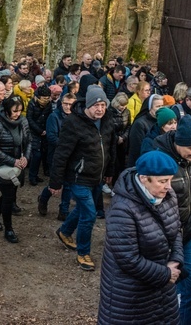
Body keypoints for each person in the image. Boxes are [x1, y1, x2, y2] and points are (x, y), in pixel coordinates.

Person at [97, 152, 184, 325]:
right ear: (144, 178)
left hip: (162, 288)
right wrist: (166, 273)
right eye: (162, 181)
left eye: (170, 180)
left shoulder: (167, 195)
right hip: (129, 296)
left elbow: (176, 231)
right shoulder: (122, 209)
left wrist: (175, 260)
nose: (168, 186)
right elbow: (128, 258)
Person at [150, 115, 191, 325]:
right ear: (178, 143)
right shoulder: (157, 159)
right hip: (159, 239)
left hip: (186, 235)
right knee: (157, 294)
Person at [50, 86, 116, 271]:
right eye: (96, 105)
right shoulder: (73, 123)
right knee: (89, 214)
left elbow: (110, 148)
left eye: (103, 105)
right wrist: (56, 182)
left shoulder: (107, 120)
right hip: (78, 177)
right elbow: (61, 154)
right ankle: (83, 253)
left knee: (82, 208)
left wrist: (109, 171)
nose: (100, 109)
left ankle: (64, 231)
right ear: (88, 105)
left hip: (97, 175)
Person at [0, 96, 31, 244]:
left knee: (9, 195)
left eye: (20, 111)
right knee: (8, 195)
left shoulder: (23, 121)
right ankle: (9, 229)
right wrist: (13, 161)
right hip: (2, 165)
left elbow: (28, 141)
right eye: (14, 111)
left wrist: (26, 158)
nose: (17, 114)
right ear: (6, 110)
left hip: (18, 164)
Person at [38, 93, 76, 220]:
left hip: (72, 157)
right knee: (55, 183)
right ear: (61, 103)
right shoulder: (54, 117)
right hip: (56, 155)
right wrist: (69, 145)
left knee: (69, 184)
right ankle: (43, 199)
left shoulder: (77, 118)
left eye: (71, 104)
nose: (68, 106)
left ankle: (63, 210)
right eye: (65, 103)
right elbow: (51, 137)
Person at [126, 95, 164, 167]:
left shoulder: (160, 121)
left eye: (162, 106)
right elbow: (136, 148)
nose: (160, 109)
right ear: (150, 108)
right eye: (158, 106)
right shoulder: (140, 123)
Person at [26, 85, 52, 185]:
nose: (46, 100)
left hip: (45, 132)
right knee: (36, 155)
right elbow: (29, 119)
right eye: (44, 98)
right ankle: (32, 176)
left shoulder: (48, 105)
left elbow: (49, 117)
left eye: (47, 98)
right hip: (34, 132)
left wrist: (46, 129)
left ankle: (40, 173)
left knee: (44, 153)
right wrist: (39, 130)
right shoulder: (32, 104)